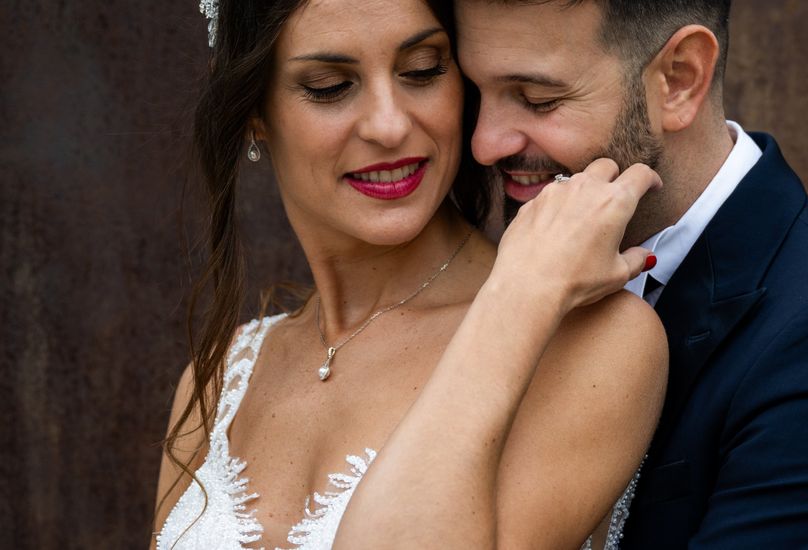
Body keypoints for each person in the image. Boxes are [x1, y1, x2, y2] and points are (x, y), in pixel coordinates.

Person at [152, 1, 669, 549]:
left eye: (422, 70)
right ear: (253, 107)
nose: (390, 125)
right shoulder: (219, 380)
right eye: (329, 87)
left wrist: (517, 299)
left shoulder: (595, 343)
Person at [454, 0, 808, 547]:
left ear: (680, 80)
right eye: (474, 94)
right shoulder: (473, 269)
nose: (484, 142)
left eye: (538, 100)